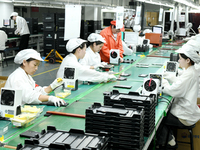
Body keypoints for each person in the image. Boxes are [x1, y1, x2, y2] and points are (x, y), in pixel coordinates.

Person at [156, 44, 200, 149]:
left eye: (180, 59)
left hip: (185, 115)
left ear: (188, 60)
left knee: (159, 120)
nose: (179, 61)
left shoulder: (190, 74)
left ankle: (170, 143)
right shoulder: (192, 70)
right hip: (189, 110)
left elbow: (175, 91)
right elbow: (182, 83)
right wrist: (170, 77)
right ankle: (168, 139)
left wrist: (161, 86)